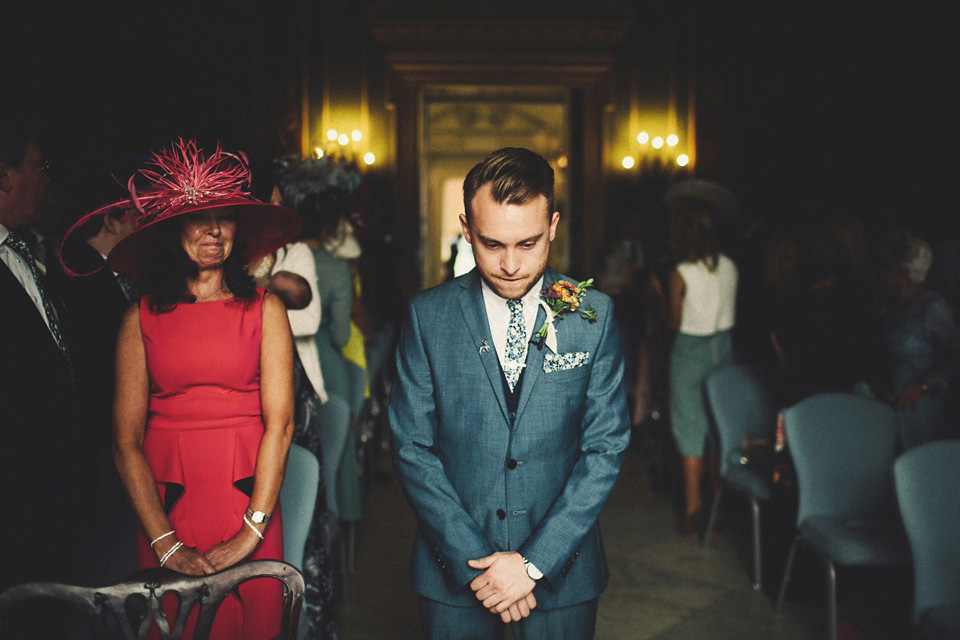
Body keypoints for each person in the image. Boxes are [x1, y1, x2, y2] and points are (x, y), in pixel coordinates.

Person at [388, 147, 630, 639]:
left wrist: (533, 563)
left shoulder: (594, 314)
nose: (512, 265)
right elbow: (411, 447)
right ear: (466, 227)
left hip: (565, 571)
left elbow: (605, 447)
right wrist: (474, 563)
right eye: (492, 244)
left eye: (529, 243)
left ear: (554, 225)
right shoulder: (426, 316)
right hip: (453, 572)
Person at [110, 140, 301, 639]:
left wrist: (251, 532)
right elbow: (124, 442)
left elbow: (281, 426)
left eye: (226, 218)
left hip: (248, 495)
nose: (214, 231)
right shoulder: (139, 317)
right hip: (166, 504)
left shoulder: (266, 309)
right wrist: (164, 541)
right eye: (199, 218)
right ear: (176, 230)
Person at [0, 126, 87, 592]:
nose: (47, 181)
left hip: (49, 496)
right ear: (5, 174)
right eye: (40, 167)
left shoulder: (22, 249)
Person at [653, 197, 737, 536]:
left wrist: (658, 293)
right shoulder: (730, 266)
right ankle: (718, 507)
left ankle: (693, 511)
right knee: (716, 429)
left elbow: (673, 323)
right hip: (725, 348)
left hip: (690, 351)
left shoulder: (681, 274)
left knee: (689, 429)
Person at [877, 231, 960, 449]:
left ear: (901, 272)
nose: (880, 273)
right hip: (889, 406)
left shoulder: (934, 309)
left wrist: (923, 384)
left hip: (921, 408)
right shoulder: (887, 309)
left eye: (885, 268)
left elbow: (955, 356)